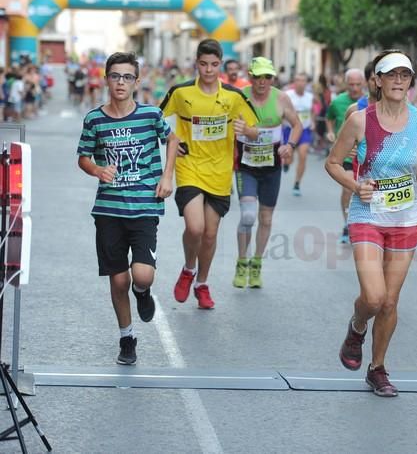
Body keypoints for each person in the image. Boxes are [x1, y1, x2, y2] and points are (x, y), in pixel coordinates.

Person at [326, 50, 417, 397]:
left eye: (404, 75)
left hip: (406, 216)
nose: (398, 81)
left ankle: (377, 369)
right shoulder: (360, 120)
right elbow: (333, 163)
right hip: (367, 214)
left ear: (410, 81)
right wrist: (354, 185)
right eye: (390, 75)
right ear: (377, 80)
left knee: (390, 302)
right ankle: (357, 325)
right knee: (374, 298)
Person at [77, 51, 179, 365]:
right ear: (106, 79)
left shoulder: (150, 115)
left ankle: (143, 293)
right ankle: (127, 337)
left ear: (136, 81)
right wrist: (97, 170)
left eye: (127, 77)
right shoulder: (95, 119)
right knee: (118, 280)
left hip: (144, 207)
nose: (120, 82)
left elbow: (172, 140)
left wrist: (166, 175)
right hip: (108, 210)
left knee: (142, 276)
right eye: (115, 76)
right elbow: (83, 156)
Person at [160, 39, 260, 309]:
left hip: (219, 171)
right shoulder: (181, 93)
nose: (209, 70)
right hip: (189, 166)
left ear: (220, 65)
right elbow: (157, 119)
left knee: (210, 234)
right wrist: (171, 140)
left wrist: (245, 130)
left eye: (214, 64)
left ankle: (202, 283)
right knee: (195, 228)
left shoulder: (233, 96)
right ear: (197, 64)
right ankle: (188, 269)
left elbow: (254, 129)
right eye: (203, 64)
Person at [232, 57, 302, 289]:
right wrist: (241, 132)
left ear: (273, 78)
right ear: (250, 76)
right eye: (257, 77)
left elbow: (297, 125)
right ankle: (242, 262)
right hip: (246, 166)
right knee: (248, 216)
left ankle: (257, 264)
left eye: (267, 77)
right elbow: (227, 125)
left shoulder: (281, 98)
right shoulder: (239, 97)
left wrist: (289, 145)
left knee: (266, 218)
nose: (262, 82)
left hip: (271, 168)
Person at [326, 68, 366, 243]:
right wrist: (330, 132)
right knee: (348, 189)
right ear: (346, 84)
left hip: (365, 156)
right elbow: (329, 117)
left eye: (358, 84)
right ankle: (347, 223)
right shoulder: (339, 102)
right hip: (348, 156)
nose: (355, 88)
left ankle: (362, 224)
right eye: (351, 85)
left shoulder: (371, 102)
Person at [283, 72, 314, 195]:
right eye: (298, 80)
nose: (300, 83)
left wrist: (313, 121)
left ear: (306, 83)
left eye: (303, 80)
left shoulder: (310, 96)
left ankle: (297, 183)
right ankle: (286, 163)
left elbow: (312, 110)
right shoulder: (287, 95)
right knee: (289, 158)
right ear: (294, 82)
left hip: (304, 129)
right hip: (289, 129)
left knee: (303, 155)